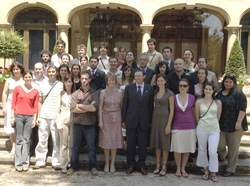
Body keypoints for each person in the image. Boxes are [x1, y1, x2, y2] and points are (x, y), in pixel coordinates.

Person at [122, 69, 154, 175]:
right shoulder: (128, 88)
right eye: (136, 76)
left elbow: (150, 107)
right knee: (130, 144)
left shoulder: (150, 88)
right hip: (131, 120)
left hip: (144, 121)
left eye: (139, 76)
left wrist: (150, 120)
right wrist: (123, 120)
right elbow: (125, 105)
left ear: (144, 76)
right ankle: (131, 165)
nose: (138, 78)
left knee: (142, 144)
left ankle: (141, 165)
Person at [67, 70, 99, 176]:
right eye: (82, 79)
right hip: (77, 123)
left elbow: (94, 108)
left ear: (89, 79)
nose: (84, 80)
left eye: (86, 79)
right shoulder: (76, 93)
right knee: (75, 146)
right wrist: (87, 108)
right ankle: (73, 166)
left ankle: (93, 166)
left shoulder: (94, 93)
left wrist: (80, 105)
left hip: (89, 124)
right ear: (80, 79)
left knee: (91, 146)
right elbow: (72, 109)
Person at [216, 74, 248, 177]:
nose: (228, 83)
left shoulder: (239, 94)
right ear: (223, 82)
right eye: (226, 81)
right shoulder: (219, 94)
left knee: (233, 148)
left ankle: (230, 169)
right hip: (221, 124)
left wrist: (238, 122)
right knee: (220, 146)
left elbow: (242, 109)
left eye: (230, 82)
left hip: (235, 125)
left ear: (233, 83)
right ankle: (222, 156)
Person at [34, 65, 63, 170]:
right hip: (44, 116)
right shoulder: (42, 85)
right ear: (47, 73)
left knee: (56, 141)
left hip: (55, 117)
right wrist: (38, 116)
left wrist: (59, 117)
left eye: (53, 72)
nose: (51, 73)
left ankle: (56, 162)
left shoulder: (61, 85)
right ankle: (40, 161)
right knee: (42, 139)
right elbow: (39, 102)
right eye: (50, 72)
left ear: (56, 73)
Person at [10, 71, 39, 172]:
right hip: (18, 116)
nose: (27, 79)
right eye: (26, 77)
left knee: (26, 140)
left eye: (29, 77)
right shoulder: (17, 89)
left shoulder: (35, 91)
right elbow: (13, 103)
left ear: (32, 78)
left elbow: (35, 107)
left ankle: (25, 162)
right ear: (23, 78)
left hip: (30, 117)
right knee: (19, 140)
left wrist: (34, 119)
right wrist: (11, 117)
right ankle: (18, 163)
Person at [195, 82, 222, 182]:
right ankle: (205, 170)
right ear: (203, 90)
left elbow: (218, 116)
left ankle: (213, 172)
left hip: (214, 129)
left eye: (210, 89)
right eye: (206, 89)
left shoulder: (218, 102)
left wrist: (212, 124)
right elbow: (197, 117)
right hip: (202, 128)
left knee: (213, 151)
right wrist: (201, 125)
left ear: (213, 90)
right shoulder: (199, 102)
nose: (208, 91)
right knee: (202, 149)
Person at [170, 78, 196, 178]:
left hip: (189, 126)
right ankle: (177, 168)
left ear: (188, 87)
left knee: (186, 149)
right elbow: (172, 112)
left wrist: (195, 125)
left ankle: (183, 168)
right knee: (177, 149)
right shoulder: (174, 97)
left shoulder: (192, 98)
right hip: (177, 126)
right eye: (180, 85)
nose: (182, 87)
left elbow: (193, 113)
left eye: (184, 86)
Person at [150, 74, 174, 176]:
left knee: (164, 144)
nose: (159, 82)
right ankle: (158, 165)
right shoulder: (155, 92)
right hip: (155, 119)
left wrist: (168, 125)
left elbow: (172, 110)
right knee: (157, 143)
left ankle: (164, 166)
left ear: (165, 81)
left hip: (165, 119)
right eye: (158, 81)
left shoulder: (170, 93)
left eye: (161, 80)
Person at [98, 73, 123, 173]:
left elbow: (122, 106)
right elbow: (100, 107)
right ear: (107, 81)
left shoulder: (120, 92)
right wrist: (100, 120)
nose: (111, 82)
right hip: (105, 118)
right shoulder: (103, 92)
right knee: (106, 143)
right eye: (109, 80)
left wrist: (121, 120)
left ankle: (112, 163)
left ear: (115, 81)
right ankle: (106, 163)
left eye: (113, 80)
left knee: (114, 143)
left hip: (116, 118)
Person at [2, 61, 24, 154]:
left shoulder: (24, 79)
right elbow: (4, 93)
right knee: (10, 126)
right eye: (14, 69)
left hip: (21, 105)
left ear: (21, 70)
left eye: (17, 69)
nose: (16, 71)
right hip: (10, 104)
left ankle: (20, 145)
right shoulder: (9, 80)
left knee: (19, 126)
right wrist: (4, 106)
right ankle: (13, 144)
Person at [55, 74, 75, 174]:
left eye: (70, 81)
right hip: (63, 120)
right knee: (64, 144)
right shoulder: (61, 94)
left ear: (72, 83)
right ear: (64, 83)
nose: (68, 83)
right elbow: (57, 110)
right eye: (66, 81)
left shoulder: (75, 94)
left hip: (74, 121)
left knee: (71, 144)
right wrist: (58, 123)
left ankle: (70, 163)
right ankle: (63, 164)